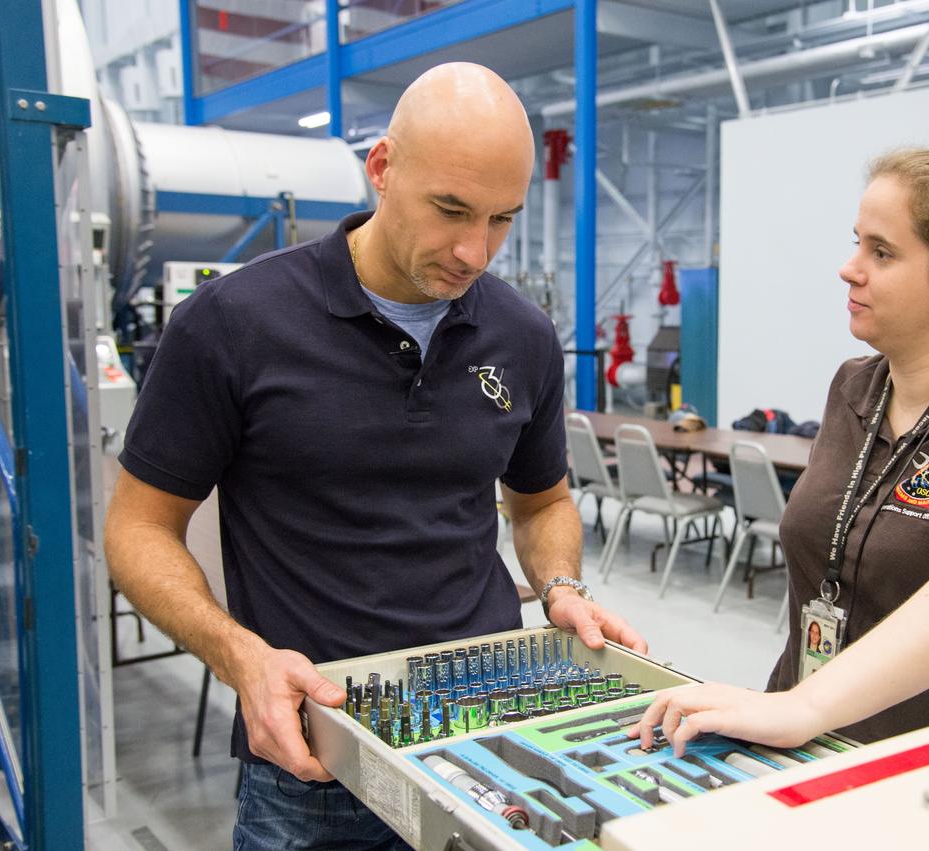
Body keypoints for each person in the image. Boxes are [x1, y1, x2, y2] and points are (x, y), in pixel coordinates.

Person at [104, 62, 645, 850]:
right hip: (314, 758)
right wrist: (241, 657)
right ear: (383, 168)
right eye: (451, 209)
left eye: (502, 219)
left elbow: (542, 501)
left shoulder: (521, 336)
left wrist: (559, 585)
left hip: (491, 736)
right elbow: (137, 528)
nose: (474, 251)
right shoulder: (231, 324)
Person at [634, 148, 929, 756]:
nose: (850, 269)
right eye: (858, 244)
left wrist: (803, 707)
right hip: (810, 742)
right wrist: (793, 707)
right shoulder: (855, 387)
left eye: (882, 252)